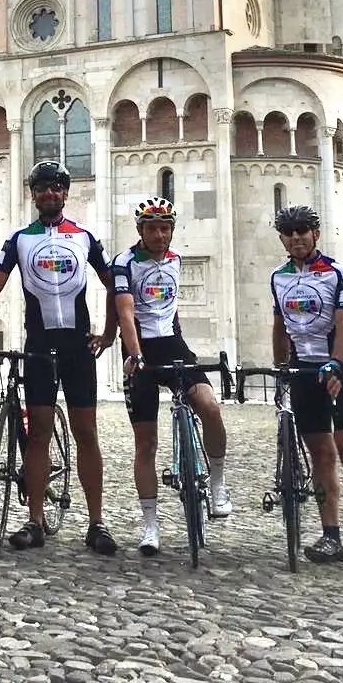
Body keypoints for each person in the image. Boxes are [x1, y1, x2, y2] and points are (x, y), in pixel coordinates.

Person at [0, 160, 118, 556]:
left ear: (65, 194)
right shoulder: (20, 239)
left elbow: (114, 286)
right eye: (42, 188)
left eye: (56, 188)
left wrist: (110, 333)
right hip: (39, 344)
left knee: (86, 433)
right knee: (37, 432)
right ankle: (35, 521)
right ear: (32, 194)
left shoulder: (85, 237)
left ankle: (97, 522)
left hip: (77, 346)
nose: (50, 194)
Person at [268, 204, 343, 571]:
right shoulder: (278, 277)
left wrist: (335, 363)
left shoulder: (338, 272)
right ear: (283, 240)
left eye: (302, 231)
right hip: (303, 368)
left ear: (315, 234)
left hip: (339, 363)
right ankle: (331, 535)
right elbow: (279, 325)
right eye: (289, 233)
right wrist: (280, 368)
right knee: (320, 452)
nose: (296, 238)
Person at [111, 196, 233, 557]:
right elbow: (125, 311)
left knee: (209, 406)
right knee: (145, 442)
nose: (160, 235)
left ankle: (218, 482)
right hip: (140, 349)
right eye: (153, 228)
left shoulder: (177, 260)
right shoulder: (125, 263)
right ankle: (150, 524)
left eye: (165, 228)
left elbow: (170, 307)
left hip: (173, 345)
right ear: (141, 231)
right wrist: (134, 355)